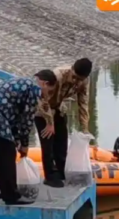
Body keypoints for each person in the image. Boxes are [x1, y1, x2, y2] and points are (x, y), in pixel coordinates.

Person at [0, 71, 57, 205]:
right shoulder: (34, 89)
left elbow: (13, 116)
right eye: (49, 91)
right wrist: (24, 144)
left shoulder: (21, 82)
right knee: (6, 154)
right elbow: (26, 120)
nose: (47, 96)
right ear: (44, 83)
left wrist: (16, 139)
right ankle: (11, 195)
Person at [35, 58, 92, 187]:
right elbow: (43, 100)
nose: (76, 81)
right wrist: (50, 122)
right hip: (42, 111)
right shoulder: (58, 75)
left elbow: (83, 103)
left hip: (58, 109)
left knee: (62, 142)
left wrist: (84, 128)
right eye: (75, 77)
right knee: (48, 143)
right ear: (72, 69)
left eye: (80, 79)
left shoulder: (84, 82)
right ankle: (49, 176)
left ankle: (61, 171)